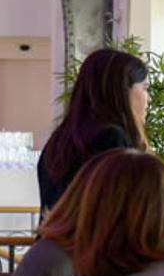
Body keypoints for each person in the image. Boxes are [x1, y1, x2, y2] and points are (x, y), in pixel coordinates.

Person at [38, 48, 148, 211]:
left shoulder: (60, 140)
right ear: (122, 90)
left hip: (53, 236)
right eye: (145, 88)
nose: (149, 98)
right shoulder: (110, 139)